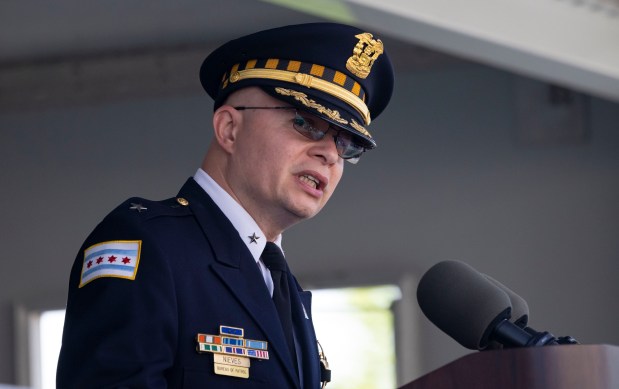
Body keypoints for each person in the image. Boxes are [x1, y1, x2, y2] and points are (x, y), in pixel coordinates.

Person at [56, 22, 394, 388]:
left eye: (346, 144)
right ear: (229, 129)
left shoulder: (283, 288)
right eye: (305, 123)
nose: (329, 152)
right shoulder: (148, 245)